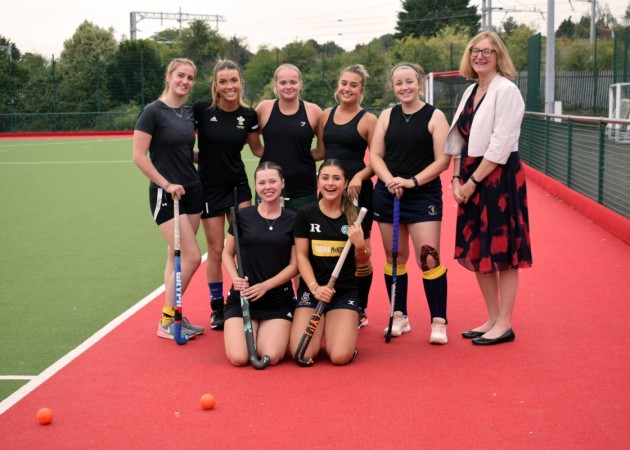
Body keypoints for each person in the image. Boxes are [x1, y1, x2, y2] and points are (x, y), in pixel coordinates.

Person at [445, 31, 532, 346]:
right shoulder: (471, 90)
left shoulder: (506, 91)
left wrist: (471, 182)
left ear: (499, 56)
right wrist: (456, 178)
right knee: (477, 248)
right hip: (471, 175)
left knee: (504, 251)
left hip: (498, 179)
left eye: (487, 51)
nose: (480, 56)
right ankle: (493, 318)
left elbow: (500, 146)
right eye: (475, 51)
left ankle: (505, 323)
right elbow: (459, 139)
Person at [370, 62, 451, 344]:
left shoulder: (435, 116)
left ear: (419, 83)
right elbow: (376, 156)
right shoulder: (386, 115)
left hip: (422, 195)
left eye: (409, 82)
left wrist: (412, 181)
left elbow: (444, 160)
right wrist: (391, 180)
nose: (404, 87)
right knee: (395, 258)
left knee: (428, 258)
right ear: (393, 87)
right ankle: (399, 316)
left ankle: (439, 321)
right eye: (398, 83)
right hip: (388, 193)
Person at [132, 58, 205, 339]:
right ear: (169, 76)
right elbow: (138, 156)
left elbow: (186, 153)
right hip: (167, 194)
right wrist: (166, 183)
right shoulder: (152, 112)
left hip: (192, 191)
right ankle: (167, 318)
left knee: (172, 258)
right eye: (180, 76)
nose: (185, 82)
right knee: (192, 257)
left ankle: (174, 316)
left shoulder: (187, 114)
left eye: (190, 77)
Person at [194, 59, 264, 331]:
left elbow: (258, 151)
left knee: (244, 246)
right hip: (209, 188)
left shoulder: (249, 115)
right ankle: (217, 307)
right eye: (223, 81)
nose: (229, 86)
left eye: (233, 80)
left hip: (238, 187)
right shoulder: (201, 110)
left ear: (240, 82)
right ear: (216, 85)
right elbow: (185, 146)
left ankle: (244, 298)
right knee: (215, 250)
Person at [289, 159, 370, 365]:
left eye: (336, 178)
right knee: (303, 354)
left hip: (342, 293)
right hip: (312, 291)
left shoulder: (356, 217)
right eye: (325, 178)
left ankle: (338, 329)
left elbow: (363, 262)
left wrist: (360, 245)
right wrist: (315, 288)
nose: (330, 183)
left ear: (345, 183)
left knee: (339, 357)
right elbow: (301, 257)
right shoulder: (306, 214)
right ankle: (325, 324)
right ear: (318, 181)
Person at [317, 64, 377, 329]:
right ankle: (328, 299)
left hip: (356, 193)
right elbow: (319, 151)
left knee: (360, 251)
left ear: (361, 90)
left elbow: (377, 160)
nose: (347, 89)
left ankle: (359, 307)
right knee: (326, 248)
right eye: (344, 83)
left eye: (353, 85)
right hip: (328, 191)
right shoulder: (325, 115)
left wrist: (360, 177)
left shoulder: (368, 120)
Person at [222, 162, 298, 366]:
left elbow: (295, 265)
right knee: (239, 358)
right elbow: (227, 254)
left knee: (270, 357)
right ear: (255, 186)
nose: (268, 187)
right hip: (243, 298)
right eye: (262, 182)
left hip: (277, 300)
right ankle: (249, 329)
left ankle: (264, 331)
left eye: (273, 181)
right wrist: (235, 278)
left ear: (282, 183)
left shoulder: (294, 219)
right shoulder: (242, 216)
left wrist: (266, 285)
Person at [256, 63, 323, 212]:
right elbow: (256, 148)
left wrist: (297, 155)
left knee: (302, 234)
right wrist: (274, 154)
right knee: (267, 234)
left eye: (293, 82)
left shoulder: (314, 111)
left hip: (303, 189)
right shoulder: (263, 109)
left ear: (300, 84)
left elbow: (321, 152)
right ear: (276, 85)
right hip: (269, 187)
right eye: (283, 82)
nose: (288, 86)